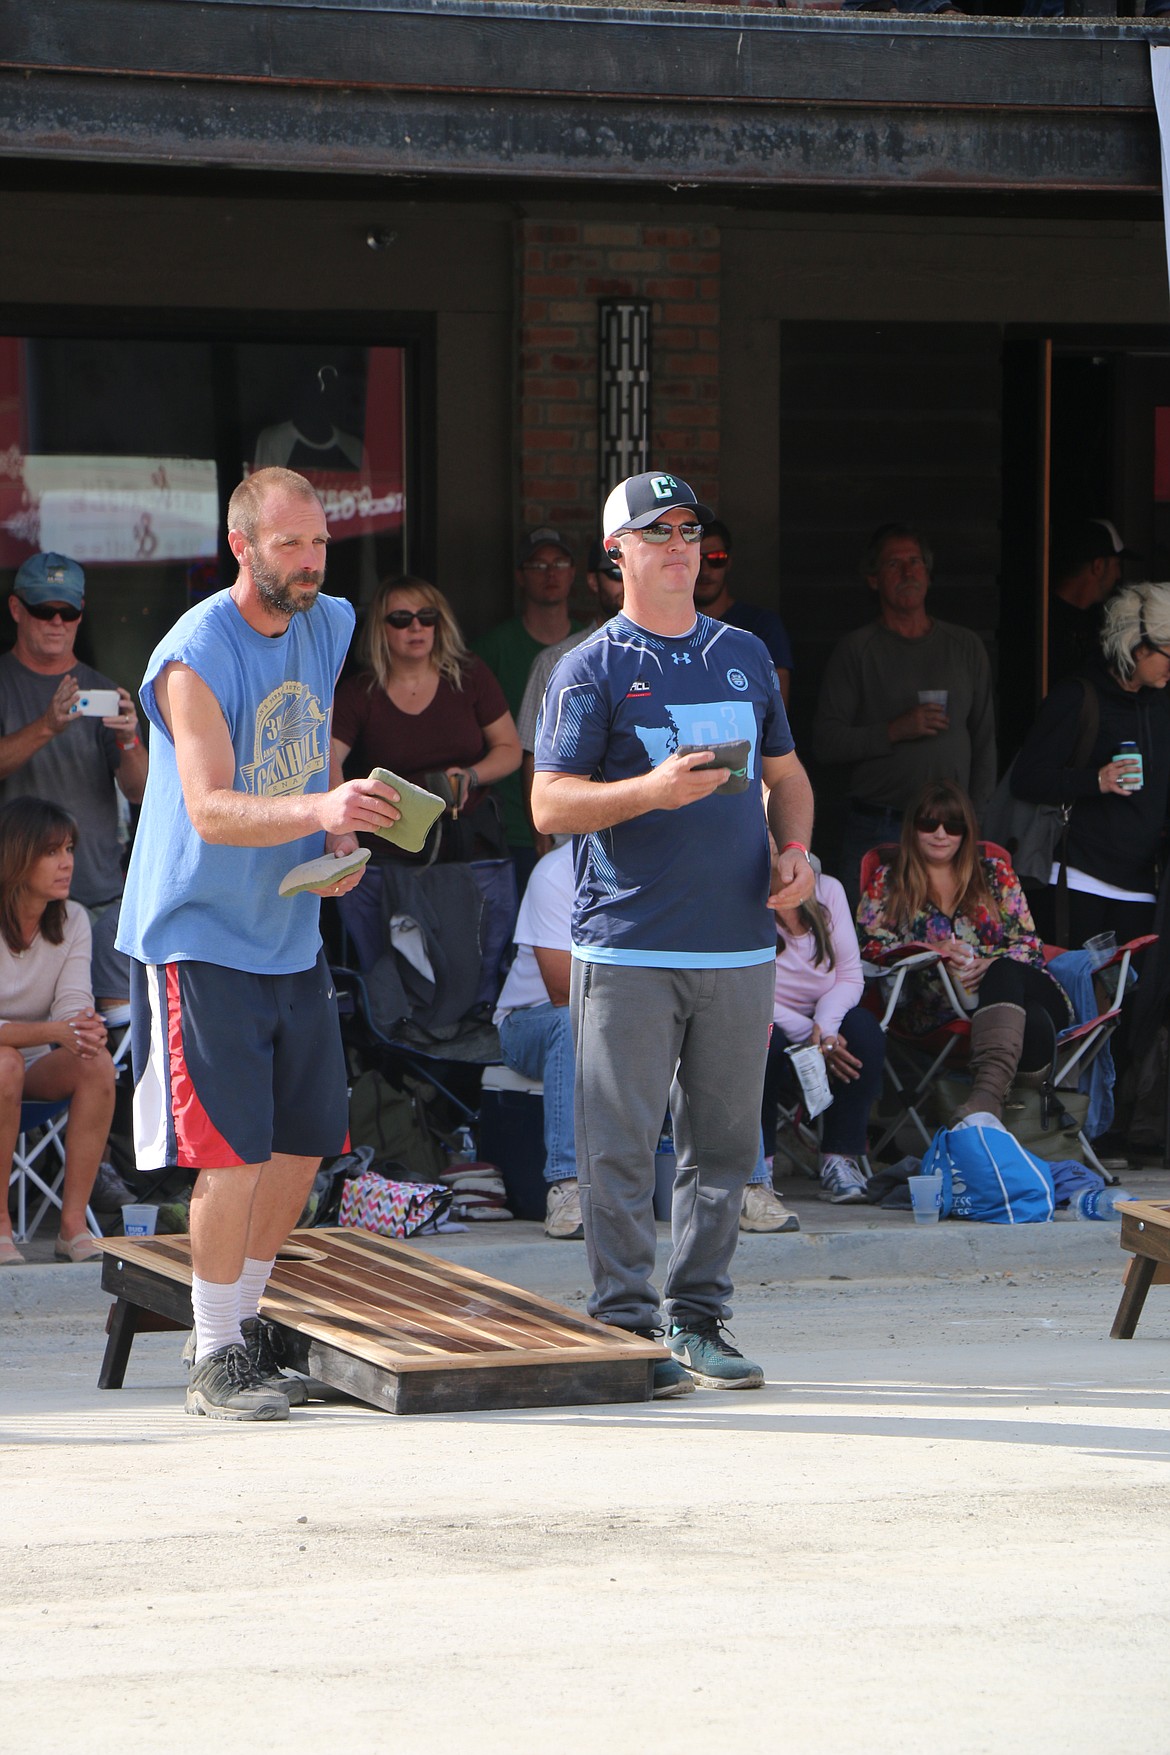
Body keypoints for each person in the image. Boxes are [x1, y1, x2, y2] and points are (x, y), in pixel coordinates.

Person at [116, 466, 401, 1421]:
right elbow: (207, 805)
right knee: (230, 1153)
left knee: (303, 1147)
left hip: (289, 925)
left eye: (320, 542)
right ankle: (214, 1350)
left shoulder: (331, 621)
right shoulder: (193, 652)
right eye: (290, 545)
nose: (312, 561)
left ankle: (247, 1326)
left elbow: (315, 742)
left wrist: (337, 831)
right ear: (243, 547)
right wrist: (318, 805)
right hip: (198, 930)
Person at [532, 470, 815, 1397]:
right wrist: (651, 791)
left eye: (691, 530)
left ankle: (697, 1318)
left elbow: (790, 777)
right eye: (657, 533)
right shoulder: (590, 666)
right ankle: (623, 1326)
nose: (680, 546)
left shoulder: (741, 655)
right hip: (628, 946)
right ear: (616, 556)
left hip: (738, 947)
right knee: (617, 1149)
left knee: (724, 1148)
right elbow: (548, 804)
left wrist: (796, 853)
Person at [330, 575, 521, 971]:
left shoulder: (469, 675)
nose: (416, 627)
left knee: (474, 960)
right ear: (380, 629)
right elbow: (326, 759)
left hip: (469, 845)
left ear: (440, 623)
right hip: (388, 852)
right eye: (400, 618)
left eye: (426, 616)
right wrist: (346, 813)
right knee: (395, 964)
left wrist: (470, 774)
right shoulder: (359, 692)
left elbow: (510, 750)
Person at [856, 779, 1072, 1124]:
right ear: (912, 828)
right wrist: (931, 950)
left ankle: (986, 1097)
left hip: (1021, 987)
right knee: (1027, 1014)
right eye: (929, 823)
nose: (941, 834)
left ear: (966, 831)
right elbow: (869, 948)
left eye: (952, 825)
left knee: (1003, 971)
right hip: (936, 1007)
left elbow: (1030, 945)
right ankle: (998, 1104)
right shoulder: (889, 880)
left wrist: (989, 963)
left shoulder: (994, 874)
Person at [813, 522, 996, 906]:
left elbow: (984, 740)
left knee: (952, 943)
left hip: (952, 830)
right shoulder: (857, 650)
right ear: (874, 579)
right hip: (880, 825)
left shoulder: (964, 646)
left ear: (928, 575)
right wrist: (895, 729)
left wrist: (974, 820)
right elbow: (826, 742)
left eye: (915, 563)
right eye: (894, 564)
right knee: (867, 947)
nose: (908, 572)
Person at [0, 551, 149, 1007]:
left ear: (82, 613)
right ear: (16, 609)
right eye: (45, 610)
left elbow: (141, 790)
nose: (57, 622)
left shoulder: (101, 687)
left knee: (104, 1037)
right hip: (15, 903)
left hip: (97, 893)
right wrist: (47, 725)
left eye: (69, 612)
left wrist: (129, 740)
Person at [1013, 581, 1170, 948]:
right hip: (1078, 878)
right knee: (1075, 999)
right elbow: (1027, 779)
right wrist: (1095, 780)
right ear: (1140, 648)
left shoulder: (1162, 704)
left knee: (1130, 1001)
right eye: (1169, 654)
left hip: (1143, 883)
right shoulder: (1078, 697)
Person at [0, 797, 115, 1266]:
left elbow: (73, 1006)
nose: (67, 861)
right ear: (16, 855)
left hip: (30, 1066)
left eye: (69, 848)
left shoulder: (73, 920)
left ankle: (72, 1226)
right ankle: (0, 1225)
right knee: (4, 1063)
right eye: (51, 851)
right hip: (6, 1066)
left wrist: (85, 1029)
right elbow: (55, 1026)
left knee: (96, 1064)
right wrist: (56, 1029)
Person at [763, 868, 886, 1206]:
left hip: (824, 1015)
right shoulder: (738, 895)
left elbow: (849, 975)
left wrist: (826, 1030)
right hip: (763, 1014)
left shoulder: (827, 889)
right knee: (762, 1043)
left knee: (864, 1033)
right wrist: (812, 1035)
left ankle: (839, 1159)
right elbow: (744, 989)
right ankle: (760, 1170)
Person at [475, 528, 584, 891]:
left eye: (559, 563)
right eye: (538, 565)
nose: (550, 573)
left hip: (574, 824)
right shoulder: (492, 648)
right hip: (511, 827)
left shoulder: (591, 647)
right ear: (520, 576)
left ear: (574, 573)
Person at [492, 842, 583, 1240]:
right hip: (527, 1022)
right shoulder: (556, 871)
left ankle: (748, 1186)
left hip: (621, 1014)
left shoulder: (665, 864)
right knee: (574, 1018)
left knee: (708, 1009)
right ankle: (568, 1186)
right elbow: (562, 991)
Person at [517, 540, 625, 857]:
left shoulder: (680, 655)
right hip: (572, 840)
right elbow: (531, 753)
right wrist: (542, 834)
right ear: (592, 581)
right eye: (612, 572)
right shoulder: (559, 660)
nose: (624, 577)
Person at [693, 519, 794, 707]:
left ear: (729, 562)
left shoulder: (763, 625)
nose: (705, 571)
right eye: (696, 560)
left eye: (716, 559)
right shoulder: (667, 629)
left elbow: (778, 712)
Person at [1047, 519, 1134, 686]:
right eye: (1116, 564)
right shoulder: (1044, 622)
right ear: (1098, 566)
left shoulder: (1103, 621)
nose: (1118, 575)